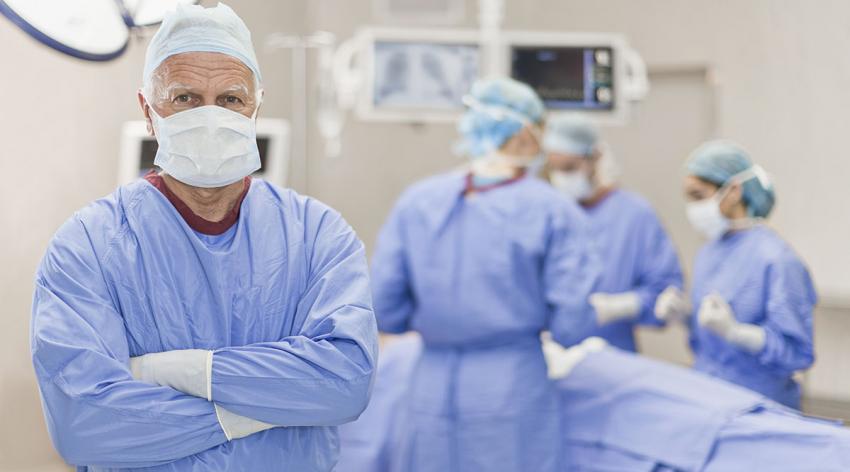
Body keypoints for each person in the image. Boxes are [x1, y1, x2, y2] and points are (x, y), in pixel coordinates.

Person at [30, 4, 377, 471]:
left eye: (231, 99)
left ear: (256, 106)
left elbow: (345, 382)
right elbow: (84, 425)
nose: (210, 116)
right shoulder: (88, 246)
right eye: (186, 98)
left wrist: (177, 374)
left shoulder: (318, 235)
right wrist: (270, 407)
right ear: (149, 112)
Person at [369, 77, 601, 472]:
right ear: (527, 133)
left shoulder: (418, 202)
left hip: (430, 387)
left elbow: (386, 309)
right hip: (510, 387)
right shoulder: (551, 210)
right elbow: (571, 325)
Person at [655, 140, 816, 408]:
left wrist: (736, 333)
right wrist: (685, 316)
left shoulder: (777, 260)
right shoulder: (709, 251)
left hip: (760, 406)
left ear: (733, 191)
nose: (693, 208)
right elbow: (707, 343)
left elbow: (796, 353)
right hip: (709, 396)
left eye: (699, 195)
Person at [542, 115, 683, 351]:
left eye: (569, 168)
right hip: (551, 355)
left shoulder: (635, 216)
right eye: (553, 169)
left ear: (594, 159)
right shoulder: (549, 213)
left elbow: (664, 290)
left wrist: (620, 306)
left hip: (612, 354)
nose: (561, 178)